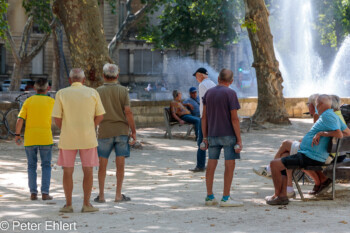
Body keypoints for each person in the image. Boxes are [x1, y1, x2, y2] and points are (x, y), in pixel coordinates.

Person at [266, 94, 350, 205]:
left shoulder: (328, 116)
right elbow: (348, 132)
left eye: (316, 104)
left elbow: (339, 134)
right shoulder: (332, 115)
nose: (315, 107)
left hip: (310, 157)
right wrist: (325, 135)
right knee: (284, 157)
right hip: (309, 154)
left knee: (274, 164)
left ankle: (278, 196)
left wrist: (322, 133)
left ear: (320, 105)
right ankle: (283, 194)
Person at [52, 68, 105, 213]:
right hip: (88, 137)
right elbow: (100, 116)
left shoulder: (61, 93)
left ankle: (68, 204)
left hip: (68, 138)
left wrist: (66, 128)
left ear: (70, 80)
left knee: (67, 171)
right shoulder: (92, 93)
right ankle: (86, 204)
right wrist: (90, 126)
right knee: (88, 171)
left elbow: (57, 118)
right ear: (83, 80)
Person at [253, 94, 320, 198]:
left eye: (308, 104)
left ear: (312, 105)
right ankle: (288, 189)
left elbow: (315, 136)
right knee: (285, 155)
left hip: (310, 152)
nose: (308, 106)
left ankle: (270, 169)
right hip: (315, 150)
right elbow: (315, 135)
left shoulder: (317, 115)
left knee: (285, 143)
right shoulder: (324, 115)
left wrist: (305, 140)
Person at [93, 63, 137, 203]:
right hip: (121, 131)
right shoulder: (123, 90)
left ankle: (101, 195)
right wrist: (134, 131)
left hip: (104, 131)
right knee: (120, 164)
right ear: (117, 75)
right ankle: (118, 195)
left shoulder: (97, 91)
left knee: (102, 164)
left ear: (103, 75)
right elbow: (128, 112)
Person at [202, 69, 243, 207]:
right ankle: (226, 198)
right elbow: (234, 119)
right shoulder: (231, 93)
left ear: (218, 78)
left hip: (212, 133)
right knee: (229, 165)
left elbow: (204, 117)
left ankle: (209, 196)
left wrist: (204, 137)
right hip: (228, 134)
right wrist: (239, 139)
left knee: (211, 164)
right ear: (231, 81)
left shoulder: (209, 93)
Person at [15, 78, 55, 201]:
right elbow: (59, 118)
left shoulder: (28, 101)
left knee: (31, 166)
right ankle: (45, 193)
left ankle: (33, 193)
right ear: (48, 89)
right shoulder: (51, 101)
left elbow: (20, 119)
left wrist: (17, 135)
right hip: (46, 138)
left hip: (30, 138)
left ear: (34, 88)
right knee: (46, 165)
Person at [189, 67, 216, 172]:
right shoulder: (213, 84)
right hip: (213, 116)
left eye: (196, 76)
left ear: (200, 75)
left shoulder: (202, 85)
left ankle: (200, 165)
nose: (196, 78)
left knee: (201, 141)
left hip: (205, 116)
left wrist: (204, 117)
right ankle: (210, 164)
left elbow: (205, 102)